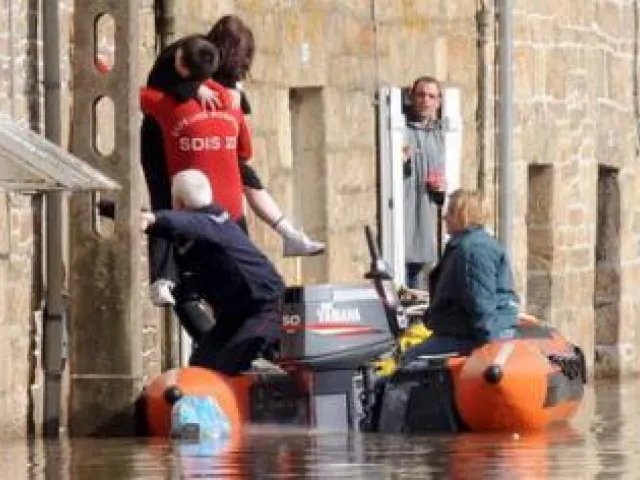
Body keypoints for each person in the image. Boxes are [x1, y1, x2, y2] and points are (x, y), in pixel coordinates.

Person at [141, 17, 323, 305]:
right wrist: (194, 86)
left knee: (246, 180)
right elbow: (155, 86)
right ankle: (163, 277)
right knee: (164, 202)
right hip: (164, 137)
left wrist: (235, 97)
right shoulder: (186, 53)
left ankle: (286, 232)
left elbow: (237, 103)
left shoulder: (224, 71)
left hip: (207, 141)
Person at [141, 169, 285, 375]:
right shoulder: (207, 223)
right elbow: (175, 226)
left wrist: (155, 219)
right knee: (201, 367)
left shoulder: (212, 222)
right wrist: (113, 210)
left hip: (265, 308)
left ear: (179, 203)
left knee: (231, 363)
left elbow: (185, 223)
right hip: (234, 316)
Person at [401, 190, 519, 363]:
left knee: (409, 363)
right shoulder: (468, 245)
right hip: (465, 330)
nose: (444, 218)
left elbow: (481, 303)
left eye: (449, 212)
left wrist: (491, 355)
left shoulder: (473, 250)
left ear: (462, 215)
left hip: (475, 336)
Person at [403, 76, 446, 289]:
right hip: (403, 227)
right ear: (412, 97)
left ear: (438, 101)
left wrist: (441, 186)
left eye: (431, 96)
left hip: (430, 226)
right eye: (421, 95)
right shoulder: (400, 129)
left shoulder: (440, 134)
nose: (425, 101)